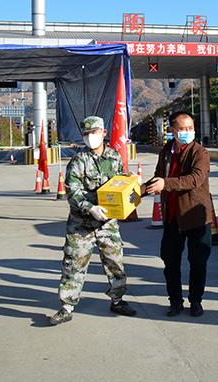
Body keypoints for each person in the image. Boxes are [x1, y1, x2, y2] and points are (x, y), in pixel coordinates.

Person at [49, 116, 136, 326]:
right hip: (82, 224)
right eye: (86, 134)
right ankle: (67, 306)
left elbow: (120, 181)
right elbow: (72, 190)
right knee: (74, 264)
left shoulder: (114, 157)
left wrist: (131, 183)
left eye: (94, 132)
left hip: (107, 223)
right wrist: (90, 208)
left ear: (103, 133)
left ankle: (118, 300)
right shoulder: (79, 160)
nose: (90, 137)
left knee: (115, 263)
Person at [146, 111, 213, 317]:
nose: (188, 132)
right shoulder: (166, 151)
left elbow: (194, 179)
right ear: (172, 131)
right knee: (170, 261)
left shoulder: (200, 152)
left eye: (190, 128)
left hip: (196, 217)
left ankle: (196, 301)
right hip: (172, 217)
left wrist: (165, 184)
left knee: (198, 262)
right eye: (183, 129)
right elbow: (158, 176)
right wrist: (139, 189)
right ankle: (175, 301)